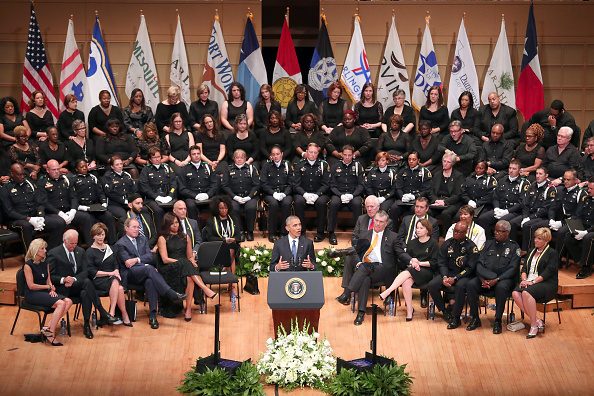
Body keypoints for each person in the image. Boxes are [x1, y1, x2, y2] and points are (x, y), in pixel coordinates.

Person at [115, 217, 188, 329]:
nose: (136, 230)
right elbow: (127, 264)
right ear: (126, 228)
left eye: (138, 227)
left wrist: (136, 260)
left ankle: (153, 316)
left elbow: (149, 256)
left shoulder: (142, 239)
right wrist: (143, 263)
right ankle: (171, 293)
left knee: (151, 281)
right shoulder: (120, 243)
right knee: (150, 269)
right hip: (129, 274)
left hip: (143, 271)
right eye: (134, 227)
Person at [48, 230, 117, 339]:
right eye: (71, 244)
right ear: (64, 241)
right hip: (63, 288)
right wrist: (64, 279)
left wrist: (73, 279)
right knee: (87, 284)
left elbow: (85, 272)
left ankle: (86, 325)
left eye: (76, 243)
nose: (74, 246)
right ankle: (102, 312)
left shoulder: (80, 251)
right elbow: (50, 276)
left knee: (85, 291)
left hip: (77, 284)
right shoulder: (54, 253)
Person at [335, 211, 398, 326]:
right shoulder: (365, 235)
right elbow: (356, 253)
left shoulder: (393, 237)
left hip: (382, 270)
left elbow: (400, 254)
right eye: (376, 221)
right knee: (365, 278)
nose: (378, 224)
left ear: (386, 223)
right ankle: (361, 313)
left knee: (365, 269)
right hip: (367, 269)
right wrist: (359, 263)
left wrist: (410, 260)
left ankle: (347, 294)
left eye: (381, 222)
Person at [156, 212, 218, 320]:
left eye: (177, 223)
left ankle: (188, 309)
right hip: (169, 268)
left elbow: (190, 256)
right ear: (167, 225)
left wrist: (191, 261)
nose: (175, 225)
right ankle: (205, 288)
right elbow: (165, 259)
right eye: (172, 224)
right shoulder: (162, 238)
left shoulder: (186, 237)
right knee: (186, 265)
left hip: (184, 268)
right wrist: (183, 262)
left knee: (190, 276)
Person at [465, 220, 521, 334]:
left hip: (504, 279)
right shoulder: (488, 244)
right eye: (495, 231)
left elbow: (513, 269)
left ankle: (498, 320)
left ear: (507, 232)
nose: (497, 233)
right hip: (485, 278)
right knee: (471, 284)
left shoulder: (514, 247)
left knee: (501, 287)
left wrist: (496, 280)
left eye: (500, 231)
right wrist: (482, 278)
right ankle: (475, 318)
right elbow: (479, 263)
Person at [379, 219, 439, 321]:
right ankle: (409, 310)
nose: (418, 230)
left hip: (427, 271)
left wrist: (419, 263)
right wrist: (413, 264)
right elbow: (406, 260)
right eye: (417, 228)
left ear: (427, 230)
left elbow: (434, 263)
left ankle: (389, 290)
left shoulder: (433, 243)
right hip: (413, 270)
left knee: (408, 272)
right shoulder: (412, 243)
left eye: (421, 228)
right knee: (406, 282)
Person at [0, 164, 63, 249]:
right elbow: (9, 212)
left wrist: (41, 216)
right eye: (19, 175)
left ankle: (50, 251)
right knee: (26, 226)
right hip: (17, 220)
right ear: (12, 174)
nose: (22, 177)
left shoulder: (31, 184)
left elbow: (39, 203)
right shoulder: (6, 188)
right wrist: (29, 219)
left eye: (23, 174)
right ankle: (30, 257)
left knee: (59, 222)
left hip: (35, 216)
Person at [427, 222, 478, 326]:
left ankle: (456, 317)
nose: (456, 233)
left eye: (459, 232)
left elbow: (470, 268)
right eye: (455, 230)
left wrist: (455, 278)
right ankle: (444, 311)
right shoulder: (447, 244)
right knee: (432, 285)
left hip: (464, 276)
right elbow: (442, 263)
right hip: (448, 273)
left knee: (460, 286)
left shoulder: (471, 247)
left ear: (466, 232)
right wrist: (445, 276)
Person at [23, 239, 73, 346]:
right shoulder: (28, 265)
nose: (45, 251)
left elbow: (48, 280)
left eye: (45, 248)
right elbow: (31, 286)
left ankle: (46, 328)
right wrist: (48, 287)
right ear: (35, 250)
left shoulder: (45, 263)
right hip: (32, 294)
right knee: (61, 303)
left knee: (68, 301)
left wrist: (52, 289)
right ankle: (51, 334)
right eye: (42, 248)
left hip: (44, 291)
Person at [512, 227, 558, 339]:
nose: (535, 240)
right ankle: (537, 320)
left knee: (526, 293)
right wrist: (524, 280)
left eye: (539, 239)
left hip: (546, 283)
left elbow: (548, 272)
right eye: (535, 238)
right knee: (515, 293)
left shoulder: (552, 253)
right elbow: (524, 269)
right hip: (529, 281)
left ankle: (533, 326)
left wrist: (532, 282)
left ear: (546, 241)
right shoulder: (532, 251)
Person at [37, 159, 94, 248]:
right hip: (53, 213)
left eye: (58, 169)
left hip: (68, 211)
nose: (56, 172)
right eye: (53, 170)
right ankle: (52, 250)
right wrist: (59, 213)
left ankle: (91, 247)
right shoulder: (43, 182)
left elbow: (73, 197)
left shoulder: (65, 179)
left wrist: (73, 211)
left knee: (86, 217)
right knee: (60, 222)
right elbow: (44, 202)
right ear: (48, 170)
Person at [341, 196, 394, 289]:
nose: (369, 209)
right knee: (349, 257)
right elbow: (354, 238)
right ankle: (347, 289)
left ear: (378, 207)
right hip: (362, 251)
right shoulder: (361, 219)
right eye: (367, 206)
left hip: (377, 254)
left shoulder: (387, 222)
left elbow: (386, 242)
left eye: (372, 206)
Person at [86, 223, 132, 327]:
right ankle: (115, 314)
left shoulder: (109, 248)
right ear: (93, 236)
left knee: (119, 287)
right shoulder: (90, 251)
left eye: (102, 234)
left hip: (112, 278)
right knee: (116, 282)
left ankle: (117, 315)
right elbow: (91, 271)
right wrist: (111, 273)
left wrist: (116, 271)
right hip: (98, 280)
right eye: (98, 235)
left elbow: (115, 264)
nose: (101, 237)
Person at [477, 160, 530, 238]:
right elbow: (495, 197)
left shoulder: (524, 183)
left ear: (519, 170)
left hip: (514, 211)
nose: (511, 171)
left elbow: (522, 203)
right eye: (510, 168)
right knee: (482, 219)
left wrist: (507, 211)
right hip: (500, 208)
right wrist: (496, 208)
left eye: (514, 169)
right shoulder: (502, 180)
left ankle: (503, 244)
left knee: (501, 223)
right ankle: (488, 242)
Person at [509, 166, 557, 250]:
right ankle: (513, 248)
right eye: (537, 173)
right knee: (512, 223)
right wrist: (525, 217)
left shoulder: (550, 189)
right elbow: (525, 204)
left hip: (540, 216)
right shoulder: (532, 186)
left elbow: (545, 209)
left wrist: (529, 218)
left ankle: (526, 251)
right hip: (529, 214)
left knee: (528, 225)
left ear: (546, 176)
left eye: (540, 174)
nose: (538, 176)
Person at [70, 159, 117, 244]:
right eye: (81, 167)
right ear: (76, 169)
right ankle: (92, 245)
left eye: (85, 166)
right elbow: (72, 197)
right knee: (88, 218)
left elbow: (100, 192)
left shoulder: (92, 177)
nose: (84, 168)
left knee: (108, 216)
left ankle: (113, 243)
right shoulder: (73, 180)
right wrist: (79, 207)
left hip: (94, 206)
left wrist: (103, 203)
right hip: (82, 207)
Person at [202, 195, 241, 295]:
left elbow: (239, 236)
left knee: (231, 249)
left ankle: (231, 283)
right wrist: (224, 240)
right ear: (217, 208)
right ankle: (230, 282)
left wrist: (233, 239)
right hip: (216, 248)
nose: (224, 210)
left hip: (232, 248)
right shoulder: (211, 221)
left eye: (226, 207)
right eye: (221, 208)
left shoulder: (234, 219)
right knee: (230, 251)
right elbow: (209, 237)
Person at [292, 143, 331, 242]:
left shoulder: (324, 165)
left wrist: (317, 195)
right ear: (306, 152)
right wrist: (304, 194)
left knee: (322, 202)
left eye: (315, 152)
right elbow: (295, 184)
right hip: (303, 193)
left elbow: (327, 184)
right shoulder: (299, 165)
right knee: (299, 202)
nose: (312, 154)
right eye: (310, 152)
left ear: (318, 153)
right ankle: (301, 232)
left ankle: (320, 232)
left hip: (319, 193)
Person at [327, 145, 365, 245]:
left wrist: (353, 195)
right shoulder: (335, 166)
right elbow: (332, 185)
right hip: (339, 193)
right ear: (341, 155)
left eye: (349, 155)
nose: (347, 157)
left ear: (353, 155)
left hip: (354, 194)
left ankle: (358, 234)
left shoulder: (358, 166)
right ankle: (331, 233)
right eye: (345, 155)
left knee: (357, 204)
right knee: (334, 203)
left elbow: (361, 185)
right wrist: (340, 195)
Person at [221, 149, 259, 241]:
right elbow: (225, 185)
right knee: (233, 208)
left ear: (245, 158)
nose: (239, 159)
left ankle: (250, 231)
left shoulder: (251, 168)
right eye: (237, 158)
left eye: (241, 158)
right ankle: (240, 232)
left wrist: (249, 196)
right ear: (234, 158)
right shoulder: (229, 169)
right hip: (234, 197)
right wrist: (234, 196)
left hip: (249, 196)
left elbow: (257, 185)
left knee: (251, 207)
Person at [560, 177, 594, 279]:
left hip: (592, 230)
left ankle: (586, 267)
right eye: (589, 188)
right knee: (568, 238)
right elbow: (579, 215)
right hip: (585, 227)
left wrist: (586, 232)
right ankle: (580, 260)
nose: (588, 190)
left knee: (588, 238)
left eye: (591, 189)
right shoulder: (586, 199)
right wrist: (575, 227)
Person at [260, 145, 294, 241]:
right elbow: (263, 183)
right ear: (270, 156)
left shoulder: (287, 165)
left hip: (285, 192)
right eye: (273, 154)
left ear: (282, 154)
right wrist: (273, 193)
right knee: (273, 204)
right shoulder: (266, 166)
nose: (276, 156)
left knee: (287, 203)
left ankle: (284, 232)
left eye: (278, 154)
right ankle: (272, 233)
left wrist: (285, 193)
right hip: (271, 193)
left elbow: (292, 183)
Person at [139, 146, 177, 229]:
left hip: (167, 195)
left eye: (158, 157)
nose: (157, 159)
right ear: (150, 159)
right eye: (154, 157)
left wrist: (170, 195)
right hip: (152, 198)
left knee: (178, 207)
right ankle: (160, 233)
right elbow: (145, 188)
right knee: (158, 210)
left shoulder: (167, 167)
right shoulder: (146, 170)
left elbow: (174, 183)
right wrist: (156, 197)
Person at [178, 145, 219, 221]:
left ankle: (215, 229)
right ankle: (195, 230)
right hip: (192, 197)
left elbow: (214, 184)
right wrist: (195, 196)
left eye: (198, 153)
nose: (196, 156)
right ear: (190, 156)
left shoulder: (208, 167)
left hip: (207, 195)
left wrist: (208, 195)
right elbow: (182, 189)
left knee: (216, 202)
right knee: (190, 205)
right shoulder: (184, 169)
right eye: (194, 154)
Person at [429, 151, 464, 235]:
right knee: (428, 211)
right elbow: (431, 192)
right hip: (437, 201)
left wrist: (444, 202)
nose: (445, 164)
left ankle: (446, 236)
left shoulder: (458, 176)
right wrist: (436, 200)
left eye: (448, 162)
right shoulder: (437, 174)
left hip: (451, 202)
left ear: (452, 163)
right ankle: (431, 235)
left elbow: (458, 195)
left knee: (446, 213)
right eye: (444, 161)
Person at [390, 152, 432, 221]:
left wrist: (414, 196)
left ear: (418, 160)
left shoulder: (424, 172)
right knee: (394, 208)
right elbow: (398, 187)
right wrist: (402, 196)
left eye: (414, 159)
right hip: (403, 199)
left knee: (414, 210)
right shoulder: (403, 171)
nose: (411, 161)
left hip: (417, 200)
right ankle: (394, 230)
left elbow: (426, 190)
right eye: (409, 159)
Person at [103, 156, 138, 221]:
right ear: (112, 166)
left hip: (128, 201)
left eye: (121, 164)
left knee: (140, 210)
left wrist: (131, 200)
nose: (120, 166)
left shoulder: (126, 175)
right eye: (117, 165)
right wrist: (124, 201)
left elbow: (133, 189)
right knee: (123, 215)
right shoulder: (108, 176)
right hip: (114, 204)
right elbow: (110, 193)